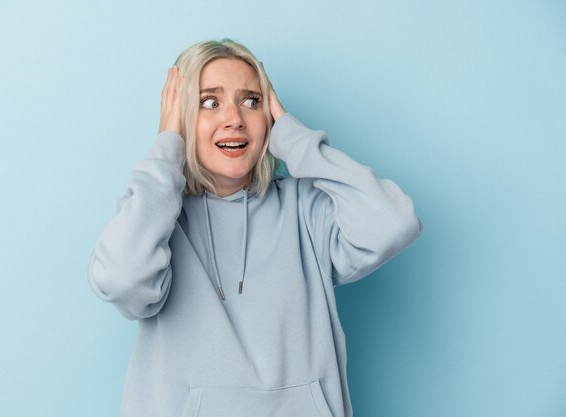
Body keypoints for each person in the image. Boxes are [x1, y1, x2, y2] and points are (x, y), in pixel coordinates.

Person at [87, 38, 423, 417]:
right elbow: (123, 281)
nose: (235, 118)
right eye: (209, 102)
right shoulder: (154, 219)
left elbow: (393, 222)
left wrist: (295, 139)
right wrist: (166, 151)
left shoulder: (307, 210)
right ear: (180, 118)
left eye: (251, 101)